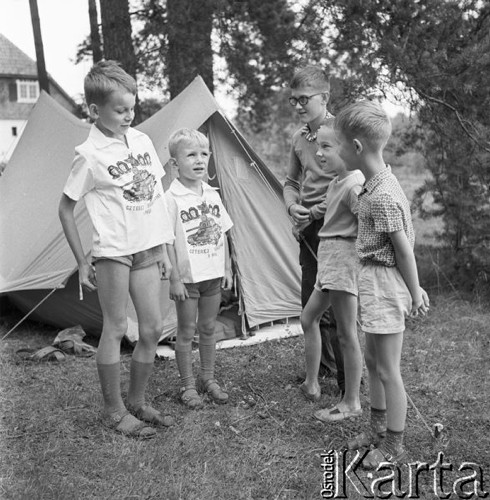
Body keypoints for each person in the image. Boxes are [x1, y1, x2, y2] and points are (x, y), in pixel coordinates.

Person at [59, 60, 175, 439]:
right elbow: (65, 207)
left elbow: (157, 193)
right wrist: (81, 259)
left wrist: (164, 248)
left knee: (153, 326)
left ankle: (137, 401)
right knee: (115, 326)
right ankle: (113, 411)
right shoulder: (88, 154)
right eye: (120, 110)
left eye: (132, 107)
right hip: (112, 251)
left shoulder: (140, 140)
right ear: (95, 111)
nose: (129, 116)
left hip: (146, 249)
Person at [334, 100, 430, 467]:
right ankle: (376, 426)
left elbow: (404, 251)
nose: (338, 150)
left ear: (356, 148)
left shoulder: (384, 195)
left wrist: (414, 289)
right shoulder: (375, 186)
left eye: (340, 144)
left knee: (389, 369)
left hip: (386, 283)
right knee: (373, 359)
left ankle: (394, 445)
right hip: (373, 279)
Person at [284, 65, 345, 399]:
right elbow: (291, 182)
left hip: (334, 224)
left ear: (325, 97)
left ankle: (345, 378)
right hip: (307, 226)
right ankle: (319, 369)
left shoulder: (339, 132)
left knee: (337, 303)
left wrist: (316, 212)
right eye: (294, 100)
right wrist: (293, 207)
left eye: (304, 99)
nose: (298, 105)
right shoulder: (298, 138)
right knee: (312, 299)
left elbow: (348, 181)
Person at [298, 120, 365, 420]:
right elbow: (325, 207)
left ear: (347, 148)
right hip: (327, 259)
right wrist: (304, 219)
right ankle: (311, 383)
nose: (320, 154)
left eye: (327, 147)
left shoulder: (354, 183)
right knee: (308, 318)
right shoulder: (338, 181)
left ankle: (352, 401)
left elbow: (370, 221)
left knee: (347, 333)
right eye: (318, 147)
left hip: (341, 260)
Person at [165, 128, 233, 410]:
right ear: (174, 163)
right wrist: (174, 278)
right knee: (186, 330)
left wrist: (227, 268)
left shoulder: (212, 194)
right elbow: (166, 241)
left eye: (204, 154)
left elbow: (223, 233)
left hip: (213, 275)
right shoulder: (172, 198)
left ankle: (208, 378)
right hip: (188, 278)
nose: (199, 160)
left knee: (208, 327)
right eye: (190, 154)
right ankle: (188, 384)